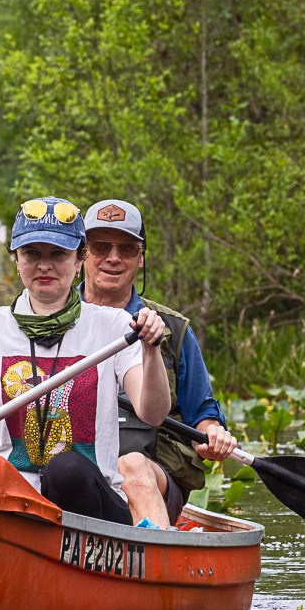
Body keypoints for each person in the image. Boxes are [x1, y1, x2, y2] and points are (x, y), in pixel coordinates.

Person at [0, 197, 176, 527]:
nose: (44, 265)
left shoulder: (115, 326)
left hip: (92, 503)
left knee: (66, 469)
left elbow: (153, 412)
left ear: (80, 259)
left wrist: (150, 350)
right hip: (15, 501)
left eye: (58, 254)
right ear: (17, 260)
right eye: (32, 254)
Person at [80, 198, 238, 522]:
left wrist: (213, 434)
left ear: (140, 259)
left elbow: (202, 414)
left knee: (131, 466)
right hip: (72, 468)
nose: (113, 258)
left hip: (154, 472)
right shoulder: (49, 317)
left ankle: (157, 558)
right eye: (101, 247)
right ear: (82, 253)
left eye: (127, 248)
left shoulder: (173, 329)